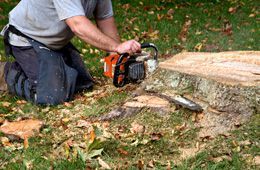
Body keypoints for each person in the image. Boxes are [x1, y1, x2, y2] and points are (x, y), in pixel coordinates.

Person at [0, 0, 141, 105]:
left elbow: (105, 19)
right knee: (52, 97)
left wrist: (117, 59)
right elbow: (77, 24)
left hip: (54, 41)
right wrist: (117, 47)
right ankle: (6, 73)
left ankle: (48, 65)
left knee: (82, 84)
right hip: (27, 37)